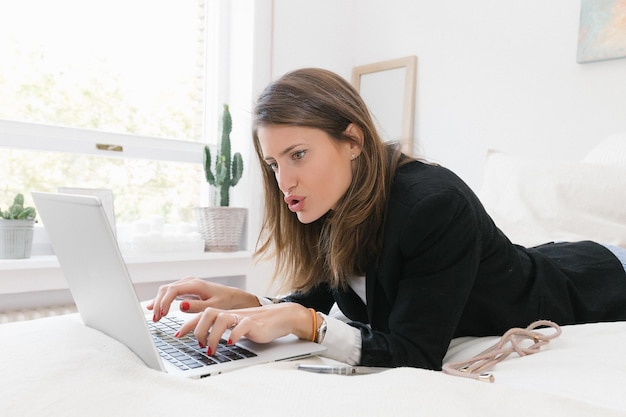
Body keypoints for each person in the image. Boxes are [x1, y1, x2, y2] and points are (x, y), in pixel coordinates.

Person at [148, 68, 626, 370]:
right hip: (540, 256)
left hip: (598, 279)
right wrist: (250, 301)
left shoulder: (433, 206)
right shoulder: (329, 202)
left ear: (352, 141)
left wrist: (310, 325)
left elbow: (415, 353)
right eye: (274, 164)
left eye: (297, 155)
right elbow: (320, 296)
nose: (284, 181)